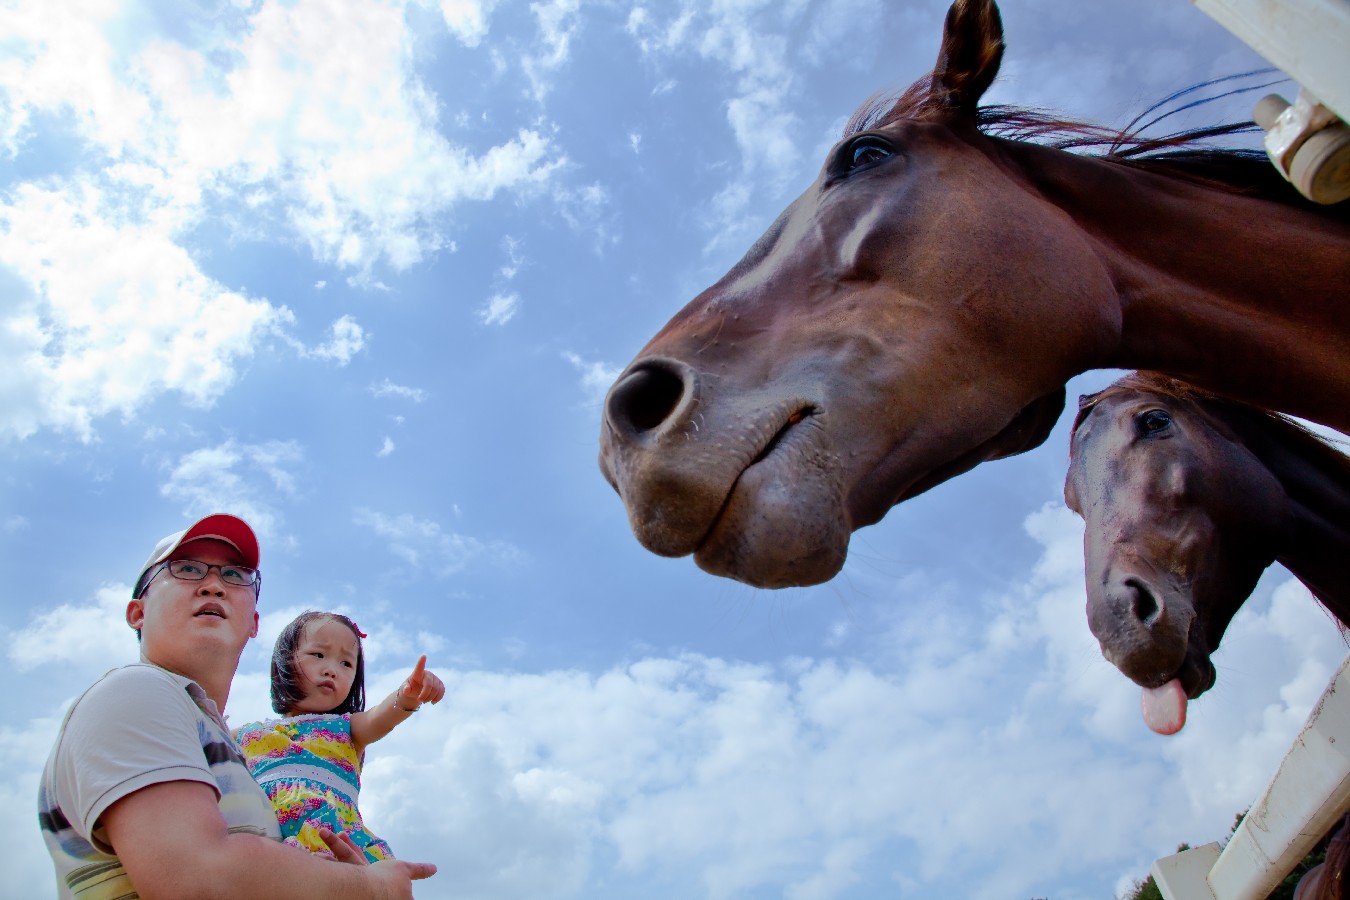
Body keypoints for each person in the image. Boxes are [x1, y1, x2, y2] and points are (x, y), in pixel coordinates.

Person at [37, 513, 436, 899]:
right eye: (187, 569)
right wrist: (373, 888)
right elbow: (197, 880)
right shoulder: (136, 691)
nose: (213, 585)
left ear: (254, 623)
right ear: (137, 612)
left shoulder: (217, 746)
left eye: (233, 575)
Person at [235, 611, 445, 862]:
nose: (332, 670)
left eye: (346, 663)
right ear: (284, 660)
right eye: (318, 655)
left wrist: (408, 694)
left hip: (336, 847)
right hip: (260, 844)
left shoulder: (347, 729)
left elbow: (380, 717)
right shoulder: (244, 735)